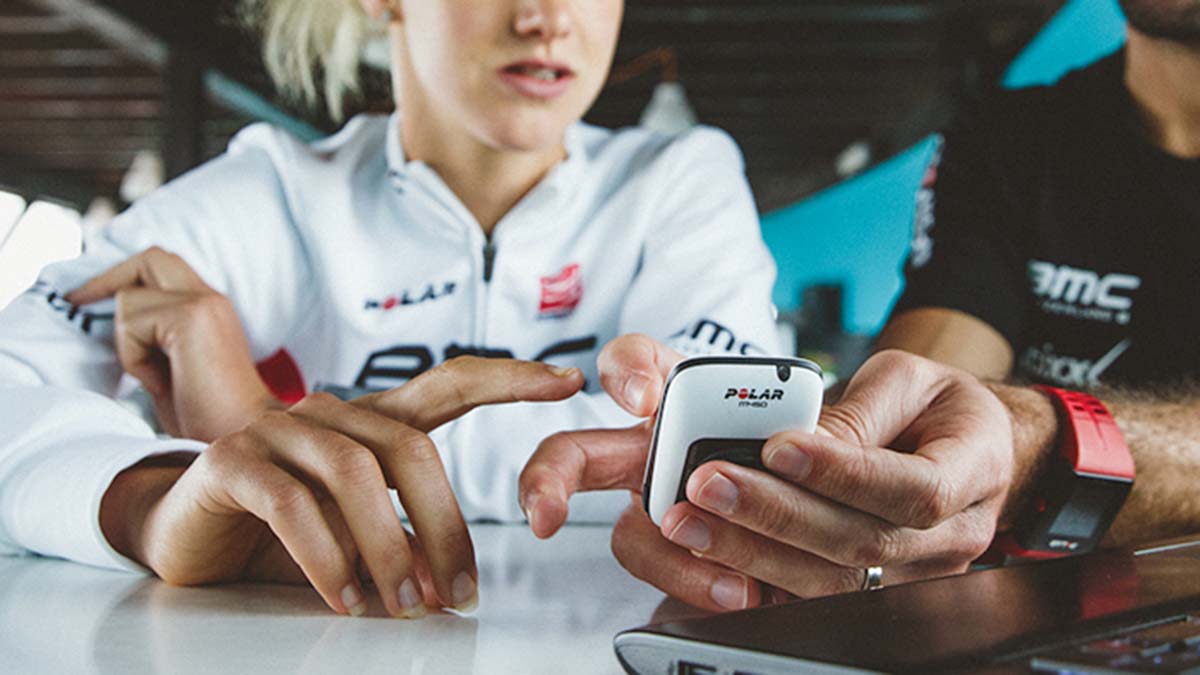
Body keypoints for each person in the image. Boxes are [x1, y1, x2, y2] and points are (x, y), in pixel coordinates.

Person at [0, 0, 782, 619]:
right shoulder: (273, 192)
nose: (548, 16)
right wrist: (156, 498)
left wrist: (252, 419)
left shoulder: (683, 177)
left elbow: (724, 442)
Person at [519, 1, 1200, 612]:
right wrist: (799, 478)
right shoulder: (1013, 139)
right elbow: (917, 395)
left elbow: (1003, 441)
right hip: (1034, 617)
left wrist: (1044, 446)